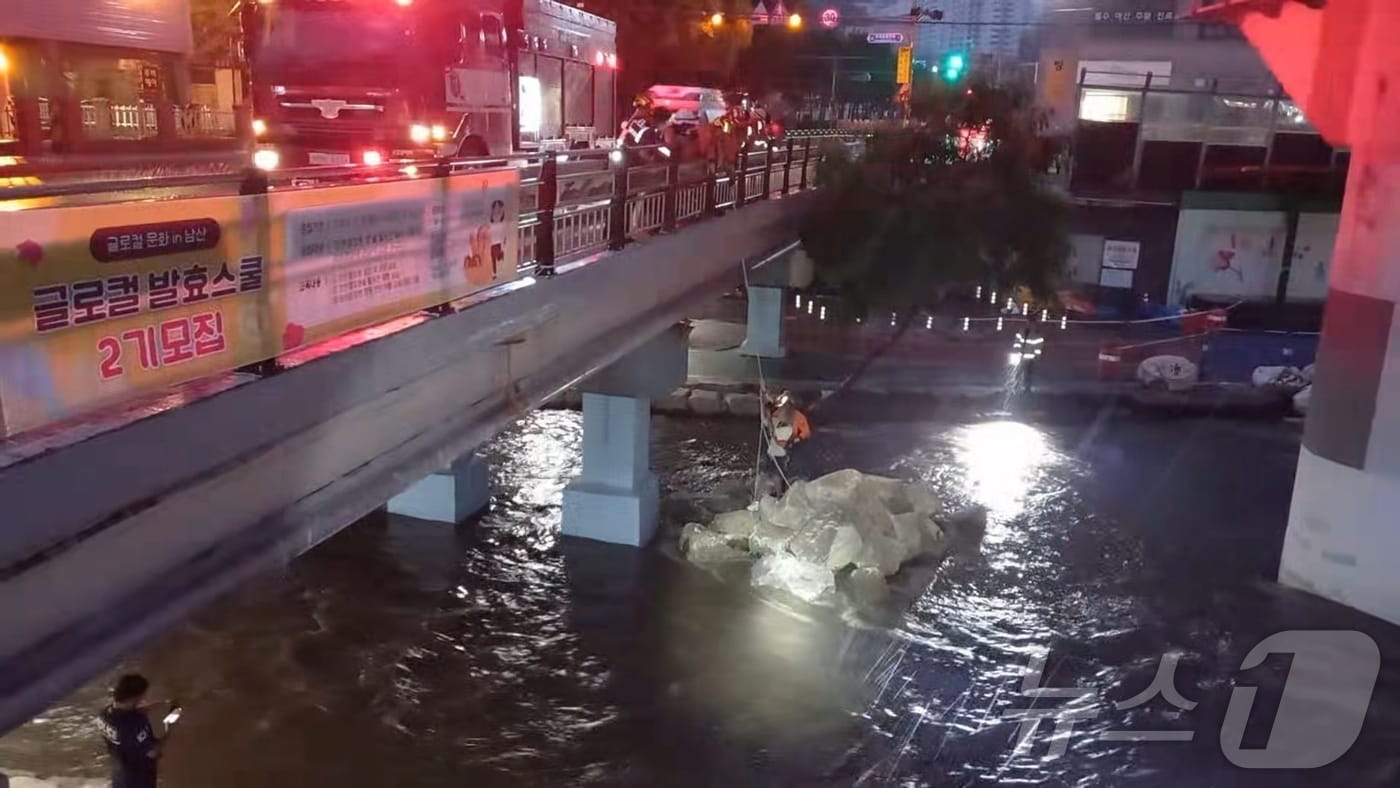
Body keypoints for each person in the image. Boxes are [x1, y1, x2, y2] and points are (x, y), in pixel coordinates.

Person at [95, 674, 174, 788]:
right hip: (139, 779)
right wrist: (170, 726)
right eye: (143, 695)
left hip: (120, 775)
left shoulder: (103, 714)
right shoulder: (136, 724)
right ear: (135, 697)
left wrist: (157, 706)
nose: (144, 697)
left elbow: (128, 715)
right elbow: (153, 752)